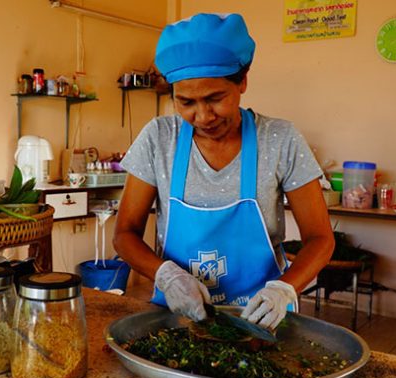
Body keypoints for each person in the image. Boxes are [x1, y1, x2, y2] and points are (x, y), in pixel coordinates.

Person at [113, 13, 334, 330]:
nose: (203, 116)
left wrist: (284, 288)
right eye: (186, 101)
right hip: (178, 316)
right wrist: (167, 275)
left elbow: (320, 238)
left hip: (261, 320)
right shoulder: (159, 139)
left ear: (242, 82)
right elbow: (124, 234)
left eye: (215, 98)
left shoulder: (280, 139)